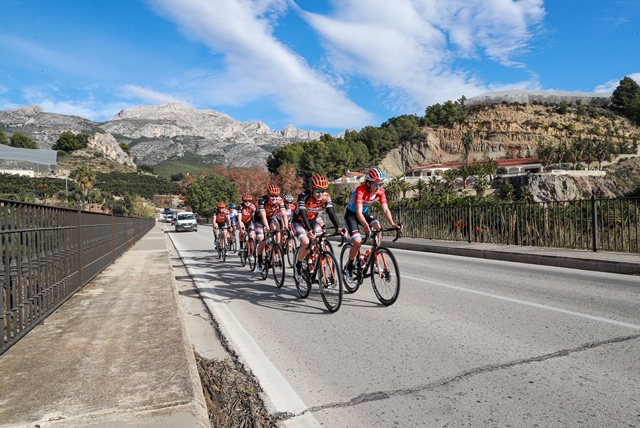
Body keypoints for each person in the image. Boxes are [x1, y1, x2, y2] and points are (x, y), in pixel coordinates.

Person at [343, 167, 402, 278]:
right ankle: (349, 266)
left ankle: (374, 257)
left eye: (381, 184)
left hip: (364, 213)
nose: (378, 188)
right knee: (357, 241)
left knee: (378, 228)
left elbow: (385, 209)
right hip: (352, 215)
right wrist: (365, 225)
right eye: (376, 185)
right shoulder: (360, 190)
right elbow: (358, 212)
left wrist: (393, 224)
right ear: (368, 183)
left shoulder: (380, 191)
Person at [292, 174, 345, 281]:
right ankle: (298, 265)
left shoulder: (326, 196)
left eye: (323, 190)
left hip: (312, 220)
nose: (321, 194)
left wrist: (338, 227)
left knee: (320, 239)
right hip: (299, 221)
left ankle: (314, 257)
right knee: (306, 242)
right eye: (318, 191)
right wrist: (309, 230)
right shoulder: (303, 196)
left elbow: (331, 212)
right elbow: (303, 214)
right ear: (311, 189)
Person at [255, 184, 288, 272]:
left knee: (277, 228)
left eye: (276, 196)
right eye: (272, 196)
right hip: (259, 220)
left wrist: (286, 226)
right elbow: (263, 216)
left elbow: (284, 214)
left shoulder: (280, 201)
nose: (274, 198)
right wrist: (266, 227)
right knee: (262, 241)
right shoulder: (262, 200)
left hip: (271, 217)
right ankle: (259, 260)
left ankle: (277, 248)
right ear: (268, 195)